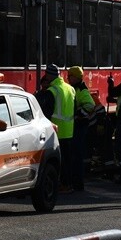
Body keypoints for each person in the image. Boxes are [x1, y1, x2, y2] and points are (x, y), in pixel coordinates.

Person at [43, 63, 76, 193]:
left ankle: (63, 184)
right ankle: (69, 184)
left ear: (49, 76)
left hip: (57, 131)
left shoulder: (52, 91)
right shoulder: (70, 88)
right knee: (68, 160)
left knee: (59, 161)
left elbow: (47, 112)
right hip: (69, 130)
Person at [67, 66, 97, 192]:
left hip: (80, 126)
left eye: (70, 76)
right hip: (79, 125)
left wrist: (80, 114)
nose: (68, 78)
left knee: (77, 155)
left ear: (76, 77)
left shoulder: (82, 90)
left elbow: (91, 105)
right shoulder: (77, 88)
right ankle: (76, 183)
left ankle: (78, 183)